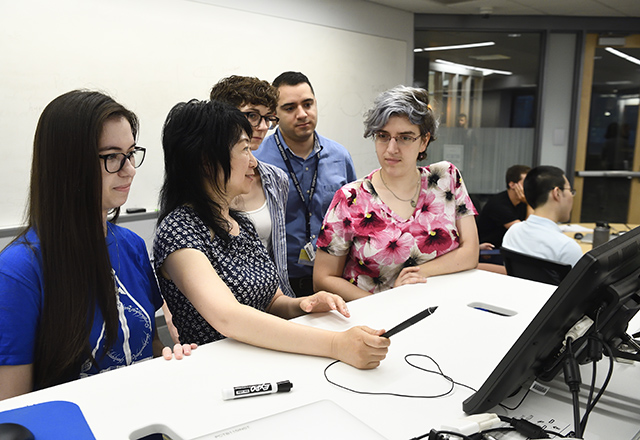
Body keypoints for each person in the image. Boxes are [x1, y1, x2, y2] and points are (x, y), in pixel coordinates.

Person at [153, 99, 389, 369]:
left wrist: (304, 304)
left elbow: (272, 300)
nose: (254, 162)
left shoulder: (239, 222)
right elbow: (230, 317)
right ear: (207, 162)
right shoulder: (179, 231)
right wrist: (335, 344)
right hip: (217, 371)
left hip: (263, 359)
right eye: (244, 150)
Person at [0, 90, 194, 401]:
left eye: (131, 153)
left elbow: (148, 346)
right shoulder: (18, 271)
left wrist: (171, 361)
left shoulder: (130, 244)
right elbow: (14, 410)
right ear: (68, 165)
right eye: (112, 157)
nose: (129, 169)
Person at [314, 86, 479, 300]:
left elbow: (471, 253)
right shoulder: (351, 198)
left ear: (424, 141)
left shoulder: (446, 179)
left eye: (405, 137)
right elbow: (323, 278)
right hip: (375, 319)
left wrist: (414, 276)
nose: (391, 148)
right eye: (383, 136)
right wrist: (386, 301)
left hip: (444, 305)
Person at [253, 71, 357, 296]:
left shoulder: (339, 156)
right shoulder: (257, 160)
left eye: (307, 104)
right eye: (290, 108)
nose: (302, 114)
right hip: (277, 282)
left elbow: (353, 218)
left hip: (334, 277)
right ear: (274, 114)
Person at [209, 75, 294, 297]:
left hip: (271, 300)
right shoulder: (202, 180)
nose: (263, 126)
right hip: (216, 306)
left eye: (268, 118)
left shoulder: (276, 179)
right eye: (252, 115)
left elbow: (276, 254)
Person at [502, 166, 583, 267]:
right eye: (570, 190)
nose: (571, 196)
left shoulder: (513, 233)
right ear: (556, 193)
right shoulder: (567, 248)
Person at [477, 164, 532, 249]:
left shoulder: (522, 202)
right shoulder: (498, 204)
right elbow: (523, 233)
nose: (529, 187)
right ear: (512, 185)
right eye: (526, 183)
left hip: (509, 248)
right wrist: (529, 203)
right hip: (490, 251)